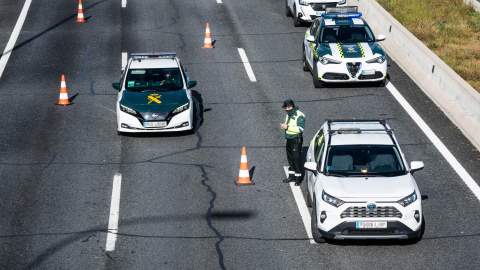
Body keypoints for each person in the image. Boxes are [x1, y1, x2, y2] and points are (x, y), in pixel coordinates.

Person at [280, 99, 305, 186]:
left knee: (296, 159)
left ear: (290, 107)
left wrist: (287, 127)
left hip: (296, 140)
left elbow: (300, 129)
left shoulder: (300, 115)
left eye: (286, 108)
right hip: (289, 139)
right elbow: (288, 124)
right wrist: (284, 126)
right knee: (290, 158)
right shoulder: (289, 114)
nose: (285, 110)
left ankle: (298, 178)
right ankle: (291, 176)